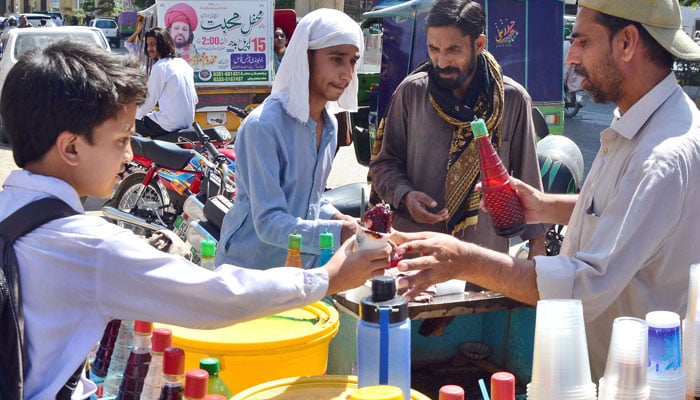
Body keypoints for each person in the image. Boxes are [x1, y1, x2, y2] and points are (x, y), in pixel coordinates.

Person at [0, 39, 391, 398]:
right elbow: (217, 297)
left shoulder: (10, 210)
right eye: (121, 141)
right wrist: (329, 278)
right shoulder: (89, 245)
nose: (128, 158)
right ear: (70, 147)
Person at [392, 0, 700, 382]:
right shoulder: (639, 124)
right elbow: (621, 212)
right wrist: (542, 205)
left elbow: (583, 288)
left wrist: (464, 261)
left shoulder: (660, 156)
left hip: (633, 383)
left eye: (583, 42)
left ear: (627, 43)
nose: (571, 57)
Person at [368, 0, 545, 258]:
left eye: (453, 50)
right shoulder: (412, 93)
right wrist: (405, 196)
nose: (441, 61)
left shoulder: (512, 100)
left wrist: (537, 247)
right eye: (433, 49)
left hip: (484, 258)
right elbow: (383, 164)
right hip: (417, 253)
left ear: (479, 45)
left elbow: (529, 180)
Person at [215, 8, 363, 270]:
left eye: (352, 61)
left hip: (300, 271)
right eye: (337, 59)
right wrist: (337, 232)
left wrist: (338, 218)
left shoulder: (328, 126)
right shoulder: (263, 126)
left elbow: (307, 199)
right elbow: (269, 222)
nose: (347, 75)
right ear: (306, 58)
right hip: (250, 272)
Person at [135, 27, 198, 137]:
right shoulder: (183, 64)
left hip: (169, 124)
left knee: (130, 124)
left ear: (163, 44)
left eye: (153, 44)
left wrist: (134, 116)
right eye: (148, 45)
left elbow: (150, 99)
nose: (149, 48)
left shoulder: (160, 67)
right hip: (187, 122)